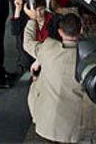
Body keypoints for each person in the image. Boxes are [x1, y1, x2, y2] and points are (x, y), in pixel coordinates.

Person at [23, 12, 83, 143]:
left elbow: (27, 43)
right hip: (71, 127)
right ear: (81, 30)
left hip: (45, 120)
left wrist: (32, 20)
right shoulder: (87, 58)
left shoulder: (48, 47)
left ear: (60, 32)